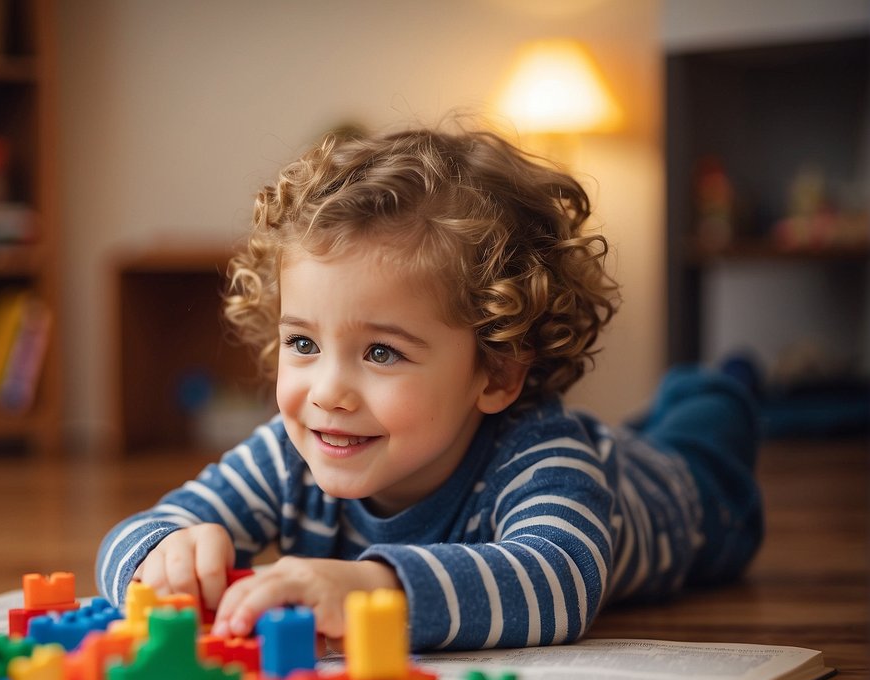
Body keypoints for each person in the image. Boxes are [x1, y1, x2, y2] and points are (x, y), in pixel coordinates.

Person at [95, 123, 763, 652]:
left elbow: (558, 582)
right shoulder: (286, 453)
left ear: (497, 371)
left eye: (380, 352)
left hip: (687, 498)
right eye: (303, 344)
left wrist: (371, 589)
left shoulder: (537, 453)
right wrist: (162, 554)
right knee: (656, 425)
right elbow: (131, 537)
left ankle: (726, 384)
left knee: (701, 425)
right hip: (613, 456)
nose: (327, 391)